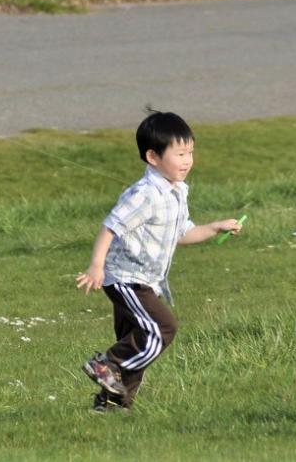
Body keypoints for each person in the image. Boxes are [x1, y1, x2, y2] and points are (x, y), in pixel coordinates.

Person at [75, 108, 242, 412]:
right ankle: (106, 365)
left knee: (136, 339)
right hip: (126, 278)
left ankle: (113, 405)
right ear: (153, 157)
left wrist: (215, 227)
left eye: (190, 152)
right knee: (161, 329)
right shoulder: (146, 194)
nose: (188, 160)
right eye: (179, 154)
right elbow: (111, 226)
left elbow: (181, 233)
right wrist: (97, 266)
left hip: (145, 280)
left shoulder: (177, 192)